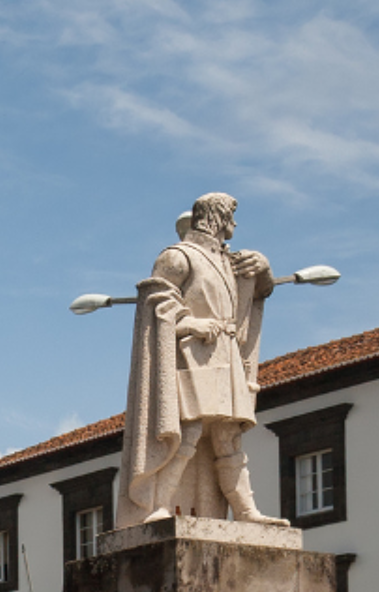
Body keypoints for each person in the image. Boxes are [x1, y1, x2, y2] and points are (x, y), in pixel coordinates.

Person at [118, 192, 287, 527]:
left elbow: (260, 290)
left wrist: (264, 268)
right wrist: (188, 323)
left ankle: (246, 512)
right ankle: (158, 506)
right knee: (189, 430)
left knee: (228, 435)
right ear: (217, 217)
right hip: (194, 354)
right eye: (231, 216)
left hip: (227, 354)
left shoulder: (228, 260)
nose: (235, 223)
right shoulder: (178, 256)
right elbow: (156, 302)